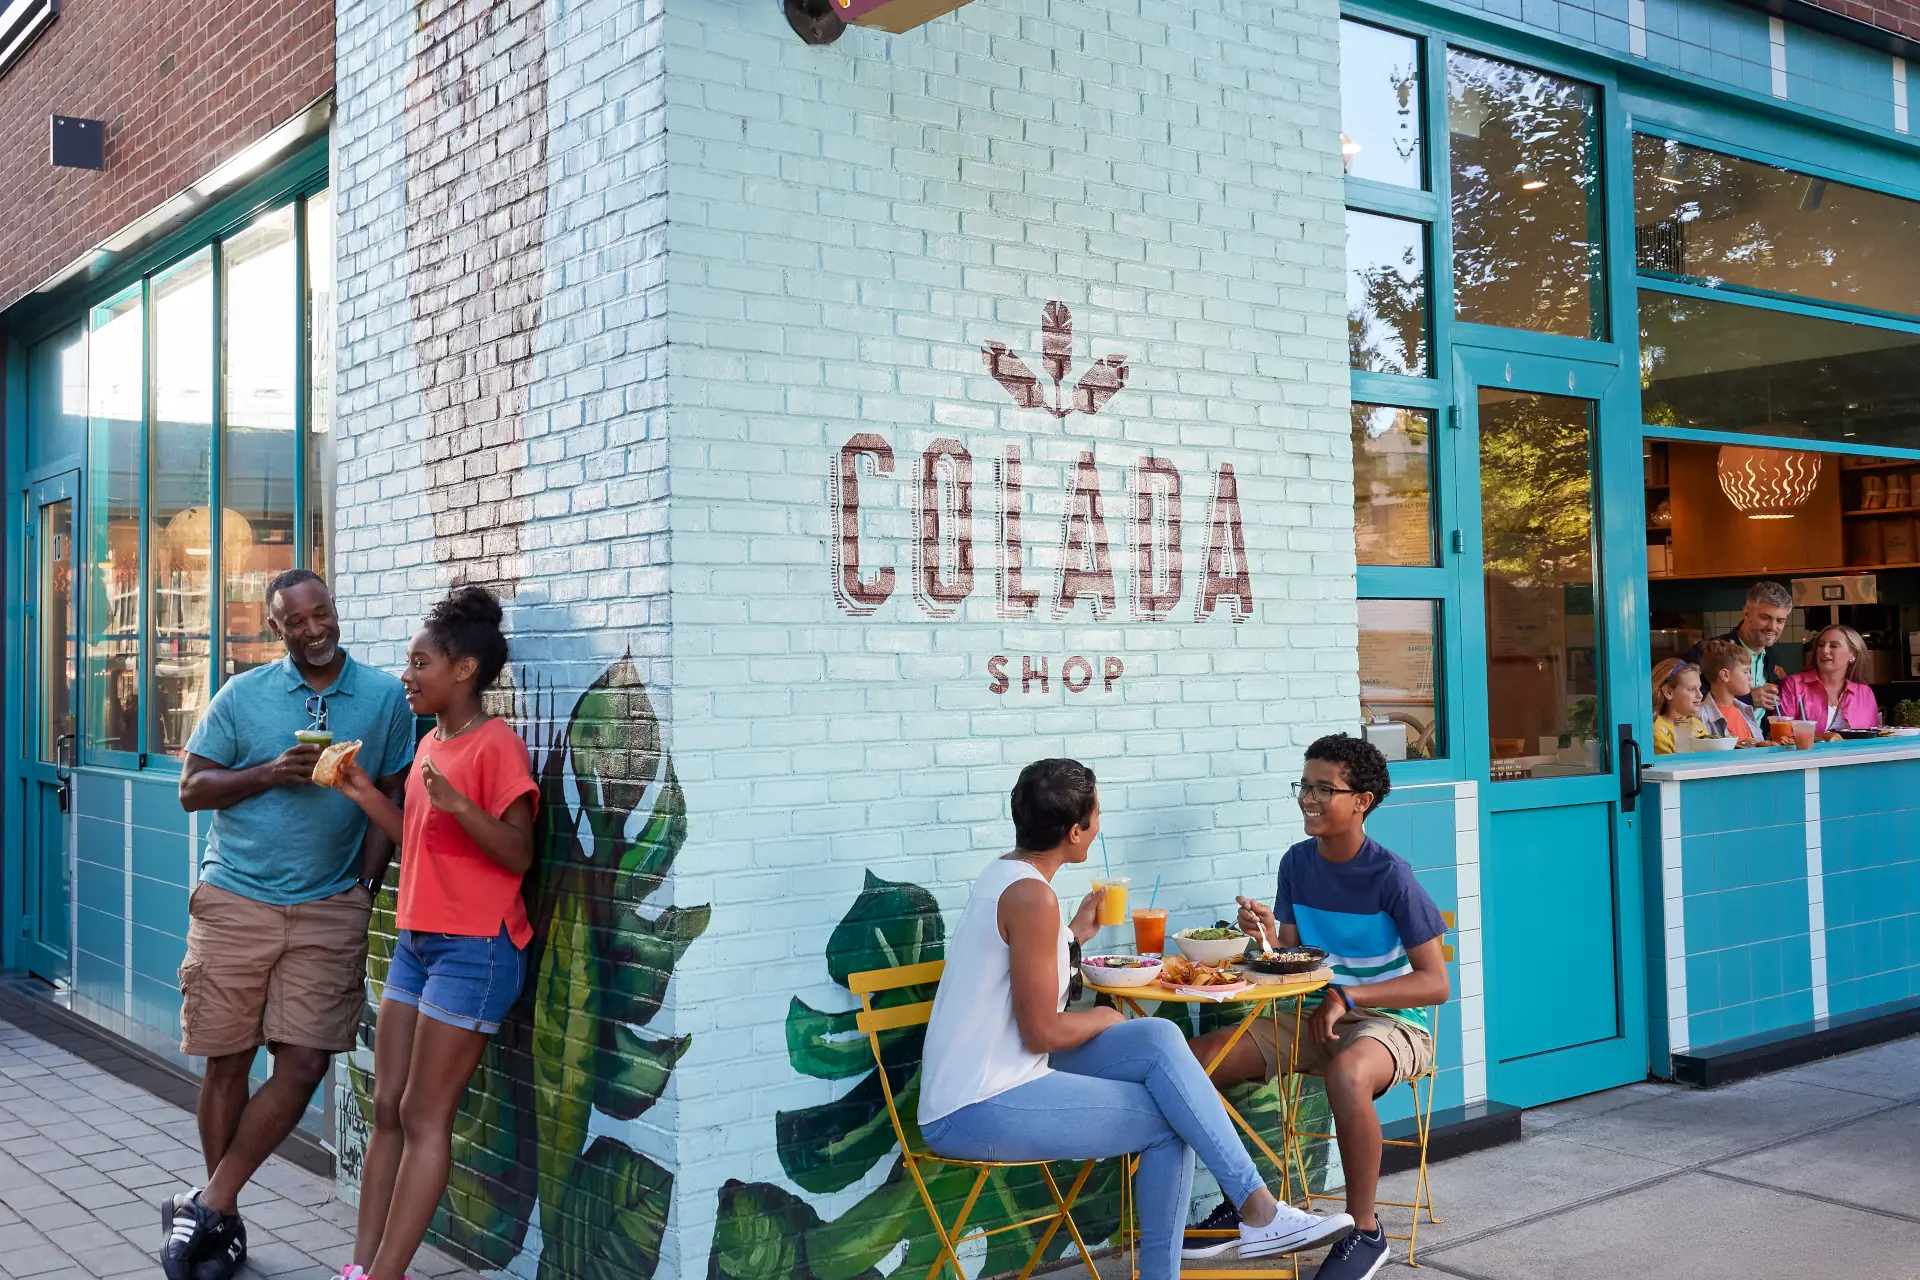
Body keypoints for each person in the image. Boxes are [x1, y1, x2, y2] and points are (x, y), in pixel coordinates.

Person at [917, 759, 1353, 1280]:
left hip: (1007, 1069)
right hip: (975, 1104)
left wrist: (1072, 936)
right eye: (1096, 814)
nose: (1099, 824)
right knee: (1169, 1121)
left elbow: (1016, 975)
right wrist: (1103, 1017)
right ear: (1075, 831)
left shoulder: (1007, 876)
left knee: (1158, 1035)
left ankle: (1257, 1209)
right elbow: (1042, 1030)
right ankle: (1251, 1216)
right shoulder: (1032, 898)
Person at [167, 571, 416, 1280]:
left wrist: (366, 886)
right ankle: (223, 1221)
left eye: (322, 614)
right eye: (296, 621)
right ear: (275, 628)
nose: (314, 630)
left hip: (330, 904)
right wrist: (270, 773)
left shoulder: (383, 698)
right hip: (236, 896)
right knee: (228, 1060)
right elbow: (191, 789)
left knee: (305, 1063)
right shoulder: (242, 695)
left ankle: (207, 1205)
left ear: (334, 612)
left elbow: (393, 790)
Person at [326, 586, 539, 1280]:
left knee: (423, 1114)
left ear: (464, 670)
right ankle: (361, 1268)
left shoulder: (496, 745)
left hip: (476, 949)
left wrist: (459, 803)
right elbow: (417, 840)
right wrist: (364, 793)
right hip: (417, 943)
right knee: (387, 1106)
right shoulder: (428, 745)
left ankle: (385, 1276)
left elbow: (518, 854)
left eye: (421, 663)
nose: (407, 676)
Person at [1185, 734, 1448, 1280]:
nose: (1309, 798)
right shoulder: (1297, 864)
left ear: (1362, 801)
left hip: (1391, 1022)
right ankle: (1247, 1202)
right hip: (1314, 1016)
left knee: (1348, 1075)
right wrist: (1262, 935)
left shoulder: (1391, 876)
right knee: (1193, 1063)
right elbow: (1295, 953)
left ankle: (1364, 1231)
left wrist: (1349, 996)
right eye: (1304, 786)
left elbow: (1435, 983)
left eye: (1325, 789)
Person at [1682, 581, 1794, 713]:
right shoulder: (1709, 651)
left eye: (1780, 620)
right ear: (1747, 612)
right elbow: (1683, 700)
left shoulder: (1769, 655)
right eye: (1765, 618)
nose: (1772, 627)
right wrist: (1747, 699)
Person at [1776, 624, 1881, 731]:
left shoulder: (1864, 692)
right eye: (1821, 645)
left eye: (1834, 646)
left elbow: (1875, 734)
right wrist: (1823, 738)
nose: (1824, 650)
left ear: (1852, 655)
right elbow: (1783, 733)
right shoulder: (1794, 684)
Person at [1698, 639, 1766, 742]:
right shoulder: (1701, 717)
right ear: (1725, 675)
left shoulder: (1744, 710)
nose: (1750, 677)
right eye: (1746, 671)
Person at [1651, 658, 1708, 755]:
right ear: (1668, 692)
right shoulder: (1657, 730)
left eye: (1699, 688)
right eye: (1691, 689)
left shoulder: (1697, 725)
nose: (1700, 695)